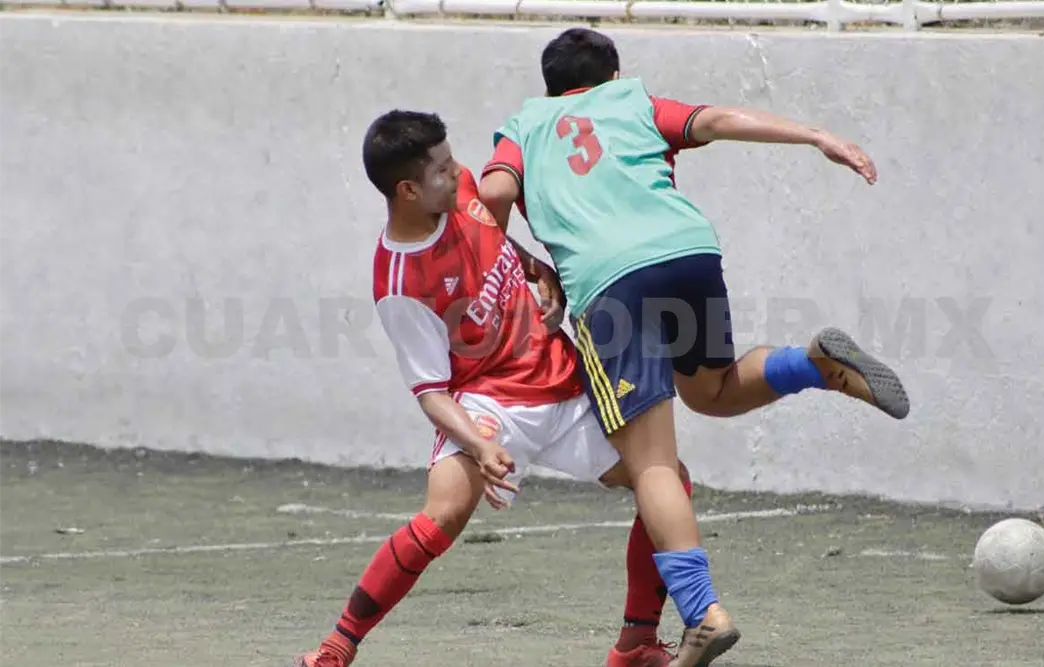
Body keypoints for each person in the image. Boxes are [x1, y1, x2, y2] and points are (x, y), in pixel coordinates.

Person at [477, 27, 912, 667]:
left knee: (652, 463)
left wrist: (526, 263)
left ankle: (702, 612)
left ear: (551, 84)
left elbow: (491, 196)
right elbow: (719, 119)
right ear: (612, 73)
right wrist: (817, 135)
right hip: (688, 253)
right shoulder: (634, 102)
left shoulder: (527, 123)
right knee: (710, 390)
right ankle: (814, 364)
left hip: (609, 283)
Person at [293, 109, 693, 667]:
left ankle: (636, 642)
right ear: (407, 190)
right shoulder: (400, 284)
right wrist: (481, 448)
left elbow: (500, 242)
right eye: (441, 168)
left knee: (666, 482)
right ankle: (337, 647)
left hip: (562, 384)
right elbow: (431, 392)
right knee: (440, 519)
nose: (459, 171)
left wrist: (539, 271)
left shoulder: (462, 190)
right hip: (489, 406)